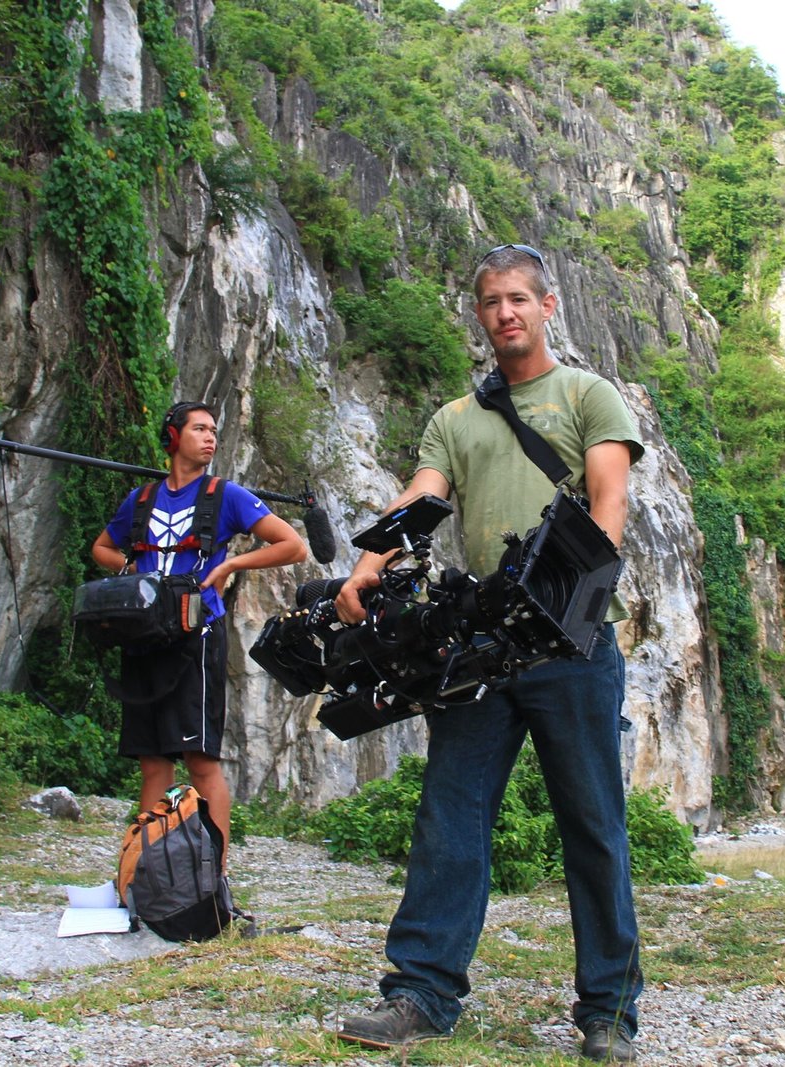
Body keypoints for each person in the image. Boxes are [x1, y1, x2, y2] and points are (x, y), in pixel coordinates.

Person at [332, 244, 646, 1063]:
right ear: (479, 315)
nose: (504, 311)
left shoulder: (587, 394)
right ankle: (421, 993)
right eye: (490, 301)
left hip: (570, 642)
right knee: (451, 817)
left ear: (548, 306)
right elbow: (422, 497)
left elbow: (609, 503)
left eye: (518, 298)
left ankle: (609, 1012)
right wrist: (367, 565)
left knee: (594, 824)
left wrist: (576, 597)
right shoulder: (456, 418)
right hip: (480, 647)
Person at [91, 401, 307, 870]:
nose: (210, 438)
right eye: (199, 429)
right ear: (173, 438)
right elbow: (102, 548)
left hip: (197, 637)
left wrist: (230, 563)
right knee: (153, 761)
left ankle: (214, 877)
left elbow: (293, 544)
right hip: (144, 639)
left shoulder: (225, 495)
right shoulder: (141, 500)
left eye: (214, 430)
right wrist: (133, 574)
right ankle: (143, 872)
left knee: (200, 759)